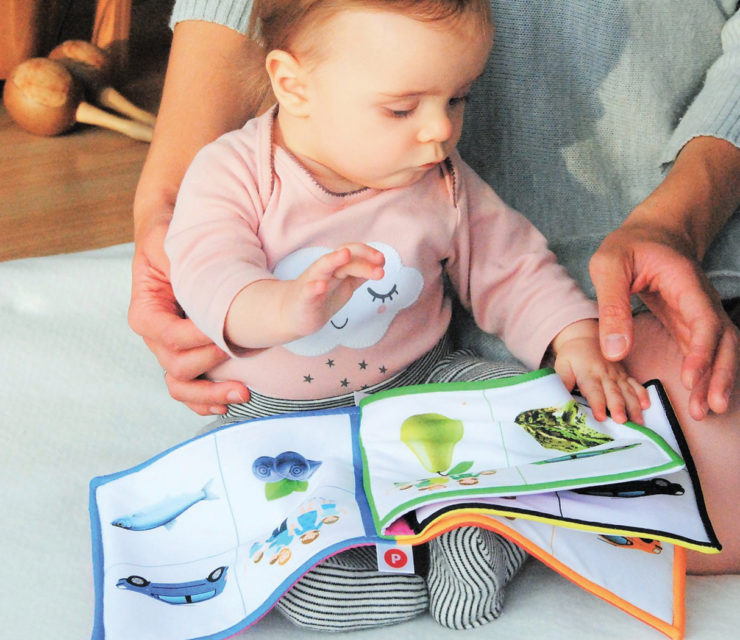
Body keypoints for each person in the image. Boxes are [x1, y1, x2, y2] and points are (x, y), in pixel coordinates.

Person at [129, 0, 739, 588]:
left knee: (526, 424)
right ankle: (373, 575)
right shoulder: (234, 171)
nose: (441, 129)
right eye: (401, 109)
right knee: (283, 527)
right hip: (281, 406)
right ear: (294, 85)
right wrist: (283, 307)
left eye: (457, 98)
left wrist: (570, 335)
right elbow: (209, 271)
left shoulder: (440, 179)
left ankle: (479, 532)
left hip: (425, 376)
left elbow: (510, 266)